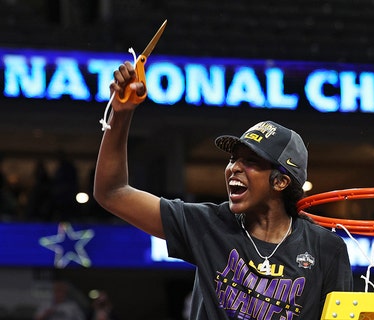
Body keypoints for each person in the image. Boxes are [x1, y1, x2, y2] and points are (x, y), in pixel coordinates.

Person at [93, 61, 353, 319]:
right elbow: (112, 193)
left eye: (250, 162)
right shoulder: (208, 225)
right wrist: (122, 113)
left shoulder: (324, 248)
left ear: (280, 182)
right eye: (232, 159)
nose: (233, 168)